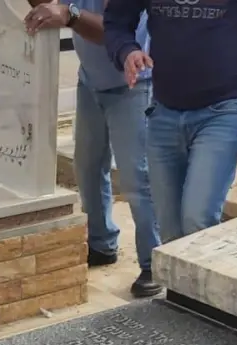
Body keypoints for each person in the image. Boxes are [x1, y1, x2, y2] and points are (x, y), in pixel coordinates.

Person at [103, 0, 237, 243]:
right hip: (164, 112)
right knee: (169, 229)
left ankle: (204, 279)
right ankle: (177, 283)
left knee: (197, 219)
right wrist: (126, 50)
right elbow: (116, 21)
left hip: (223, 110)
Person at [24, 0, 163, 297]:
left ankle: (155, 262)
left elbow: (114, 31)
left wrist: (69, 15)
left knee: (138, 178)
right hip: (91, 81)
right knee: (87, 166)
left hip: (134, 83)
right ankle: (101, 243)